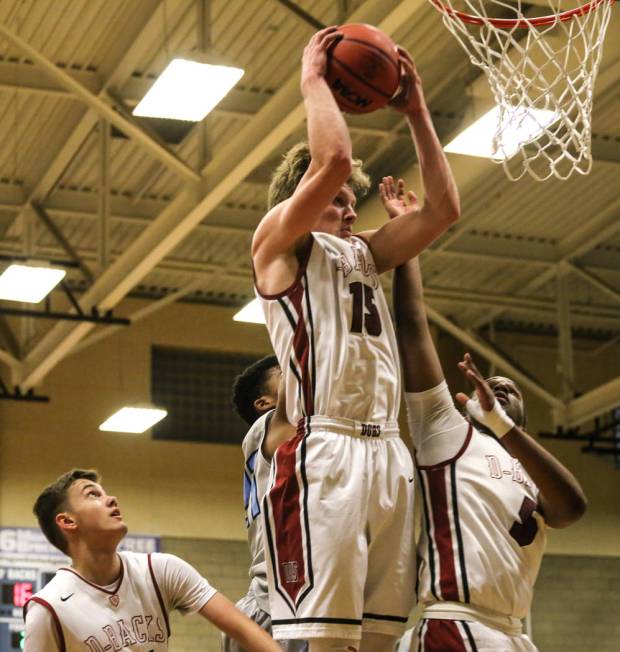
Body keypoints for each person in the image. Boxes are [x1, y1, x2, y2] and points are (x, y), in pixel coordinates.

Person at [251, 24, 460, 652]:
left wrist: (418, 112)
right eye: (337, 201)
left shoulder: (364, 253)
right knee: (325, 642)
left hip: (388, 452)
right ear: (299, 199)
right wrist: (314, 80)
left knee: (378, 641)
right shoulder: (276, 245)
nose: (349, 209)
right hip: (328, 449)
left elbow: (444, 210)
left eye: (352, 203)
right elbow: (333, 160)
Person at [382, 177, 588, 651]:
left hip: (513, 633)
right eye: (489, 386)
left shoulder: (534, 472)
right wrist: (408, 239)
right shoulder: (444, 432)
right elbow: (413, 327)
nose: (496, 386)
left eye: (508, 388)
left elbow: (573, 509)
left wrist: (503, 426)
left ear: (521, 418)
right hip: (456, 623)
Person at [24, 469, 282, 652]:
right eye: (93, 495)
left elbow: (244, 630)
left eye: (105, 493)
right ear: (68, 521)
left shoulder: (160, 569)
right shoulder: (48, 608)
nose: (110, 499)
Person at [223, 355, 306, 652]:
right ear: (264, 403)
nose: (298, 371)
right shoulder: (266, 427)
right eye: (285, 372)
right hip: (274, 607)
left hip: (293, 604)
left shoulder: (311, 433)